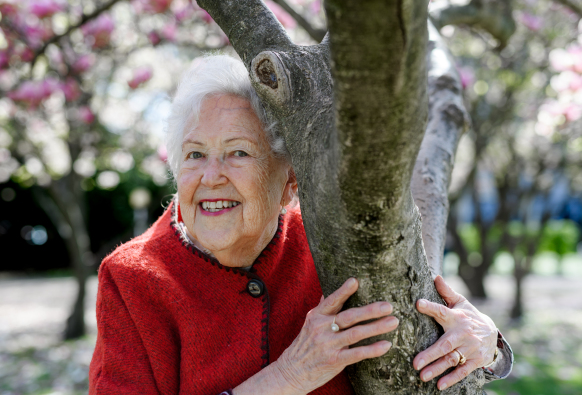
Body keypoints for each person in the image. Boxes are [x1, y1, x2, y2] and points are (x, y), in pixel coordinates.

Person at [89, 55, 512, 395]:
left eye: (238, 152)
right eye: (195, 155)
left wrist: (486, 345)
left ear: (290, 181)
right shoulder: (132, 280)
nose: (210, 175)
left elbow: (437, 330)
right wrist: (287, 378)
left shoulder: (335, 244)